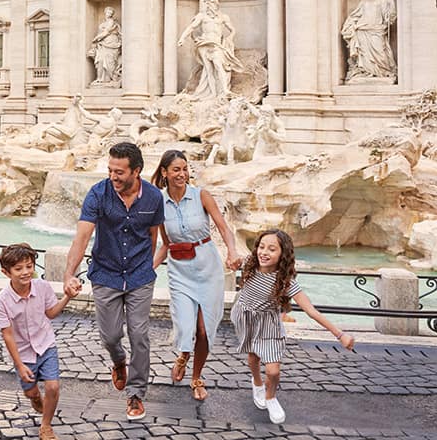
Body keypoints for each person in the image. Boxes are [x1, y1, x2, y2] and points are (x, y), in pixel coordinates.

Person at [63, 142, 164, 423]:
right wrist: (69, 274)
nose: (113, 176)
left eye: (119, 172)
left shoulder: (154, 197)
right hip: (106, 273)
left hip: (139, 276)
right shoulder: (98, 193)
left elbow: (153, 237)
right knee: (109, 336)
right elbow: (82, 236)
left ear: (137, 171)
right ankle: (119, 361)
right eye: (110, 170)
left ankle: (136, 393)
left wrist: (147, 267)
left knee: (140, 335)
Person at [232, 229, 355, 425]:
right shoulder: (249, 264)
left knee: (273, 371)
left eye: (272, 249)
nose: (264, 252)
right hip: (245, 317)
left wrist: (340, 335)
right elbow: (231, 260)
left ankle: (271, 397)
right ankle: (256, 384)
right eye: (261, 247)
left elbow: (311, 311)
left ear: (283, 254)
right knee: (253, 355)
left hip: (269, 325)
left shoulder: (285, 282)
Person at [152, 150, 241, 402]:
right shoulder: (158, 202)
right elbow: (164, 244)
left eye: (185, 169)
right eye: (176, 170)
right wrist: (147, 269)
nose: (182, 174)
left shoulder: (201, 195)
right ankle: (183, 354)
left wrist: (232, 252)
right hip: (180, 271)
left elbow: (224, 228)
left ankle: (196, 377)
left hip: (208, 267)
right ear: (165, 173)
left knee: (203, 330)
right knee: (185, 324)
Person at [0, 242, 81, 440]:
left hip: (46, 344)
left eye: (29, 266)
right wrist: (19, 364)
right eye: (18, 269)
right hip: (23, 353)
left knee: (53, 387)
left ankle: (46, 426)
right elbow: (7, 335)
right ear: (6, 272)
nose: (25, 272)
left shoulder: (42, 287)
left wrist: (67, 297)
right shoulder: (0, 302)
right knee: (32, 393)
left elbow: (51, 313)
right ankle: (35, 399)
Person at [177, 0, 243, 101]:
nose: (207, 5)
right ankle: (212, 93)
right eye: (206, 3)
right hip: (204, 43)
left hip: (216, 44)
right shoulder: (201, 16)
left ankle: (225, 90)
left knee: (218, 65)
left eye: (209, 3)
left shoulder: (223, 17)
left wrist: (230, 37)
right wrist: (182, 38)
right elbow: (191, 27)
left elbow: (232, 30)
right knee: (208, 70)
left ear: (215, 4)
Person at [341, 0, 397, 81]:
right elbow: (355, 15)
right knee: (364, 55)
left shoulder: (382, 0)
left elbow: (388, 18)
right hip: (362, 30)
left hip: (377, 30)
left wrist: (391, 3)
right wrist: (350, 24)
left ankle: (383, 72)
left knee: (380, 52)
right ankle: (365, 72)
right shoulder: (363, 2)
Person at [88, 7, 123, 86]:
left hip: (112, 43)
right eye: (108, 12)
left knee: (109, 61)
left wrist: (95, 39)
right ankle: (100, 79)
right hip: (103, 44)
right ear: (105, 13)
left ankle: (109, 79)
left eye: (111, 13)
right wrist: (97, 42)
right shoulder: (102, 24)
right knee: (100, 60)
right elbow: (101, 33)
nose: (109, 14)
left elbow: (106, 32)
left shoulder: (111, 22)